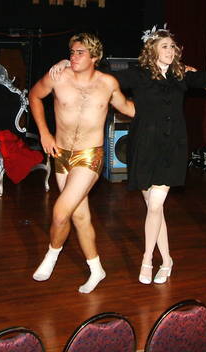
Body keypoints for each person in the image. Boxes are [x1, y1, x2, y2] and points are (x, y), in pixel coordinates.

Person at [50, 25, 206, 284]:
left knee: (155, 206)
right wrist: (67, 63)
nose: (171, 50)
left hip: (172, 148)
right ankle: (167, 261)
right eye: (165, 46)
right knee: (155, 209)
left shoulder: (182, 75)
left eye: (173, 46)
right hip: (144, 147)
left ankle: (147, 260)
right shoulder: (138, 75)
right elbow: (100, 75)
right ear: (152, 50)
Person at [29, 33, 134, 293]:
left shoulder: (107, 83)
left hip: (90, 156)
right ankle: (97, 269)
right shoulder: (58, 76)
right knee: (79, 215)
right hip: (61, 154)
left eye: (80, 53)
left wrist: (161, 103)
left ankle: (51, 255)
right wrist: (44, 133)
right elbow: (34, 96)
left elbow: (128, 108)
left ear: (95, 57)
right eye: (72, 52)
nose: (73, 57)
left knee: (60, 212)